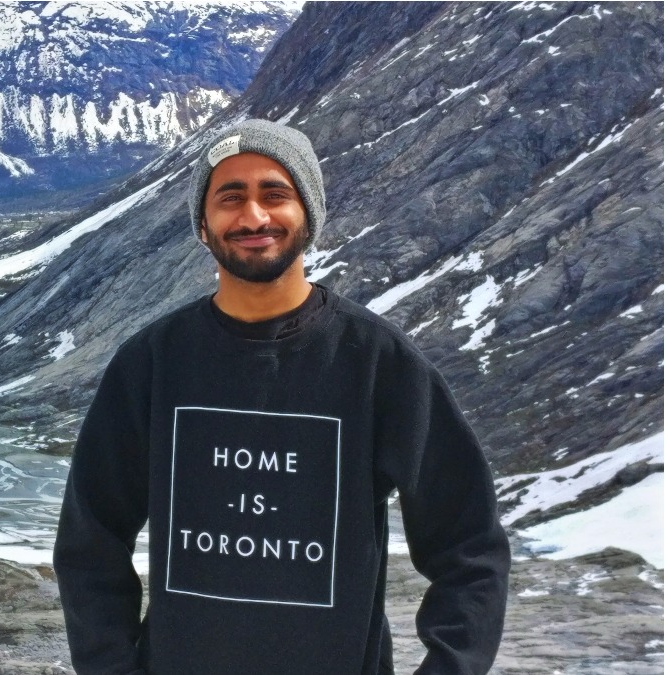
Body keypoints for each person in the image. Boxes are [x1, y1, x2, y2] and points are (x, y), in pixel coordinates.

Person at [53, 118, 510, 674]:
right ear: (204, 223)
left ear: (308, 214)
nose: (253, 216)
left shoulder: (376, 362)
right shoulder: (153, 362)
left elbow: (470, 546)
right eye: (230, 198)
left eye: (275, 194)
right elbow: (90, 540)